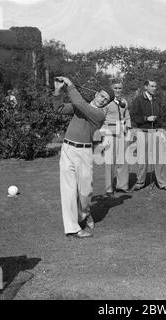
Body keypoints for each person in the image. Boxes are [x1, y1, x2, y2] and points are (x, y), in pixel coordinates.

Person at [53, 76, 114, 239]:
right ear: (96, 94)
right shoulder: (81, 106)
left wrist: (70, 85)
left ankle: (84, 214)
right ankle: (73, 228)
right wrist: (58, 91)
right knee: (68, 190)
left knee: (85, 192)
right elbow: (59, 109)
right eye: (102, 96)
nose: (103, 100)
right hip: (67, 149)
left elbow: (80, 104)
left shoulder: (99, 114)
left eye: (106, 100)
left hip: (85, 152)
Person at [130, 80, 166, 191]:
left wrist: (162, 129)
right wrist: (146, 119)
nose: (154, 88)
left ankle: (162, 183)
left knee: (159, 159)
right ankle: (140, 182)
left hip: (156, 132)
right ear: (145, 87)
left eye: (155, 86)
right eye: (152, 86)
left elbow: (161, 116)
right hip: (143, 132)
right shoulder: (138, 100)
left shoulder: (157, 100)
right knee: (142, 159)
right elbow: (133, 116)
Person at [100, 79, 132, 196]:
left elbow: (127, 116)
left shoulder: (124, 101)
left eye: (119, 88)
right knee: (109, 162)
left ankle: (122, 186)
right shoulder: (106, 102)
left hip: (122, 133)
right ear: (112, 89)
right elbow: (101, 119)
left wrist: (128, 126)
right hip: (109, 133)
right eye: (115, 88)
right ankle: (109, 189)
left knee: (123, 161)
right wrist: (103, 136)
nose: (118, 90)